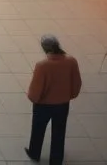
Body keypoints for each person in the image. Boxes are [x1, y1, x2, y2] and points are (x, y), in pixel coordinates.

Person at [25, 34, 82, 165]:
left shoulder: (42, 66)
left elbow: (36, 88)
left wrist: (34, 98)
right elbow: (77, 82)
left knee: (38, 129)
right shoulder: (71, 61)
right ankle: (56, 160)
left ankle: (34, 152)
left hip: (43, 105)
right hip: (62, 104)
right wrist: (69, 95)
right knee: (59, 132)